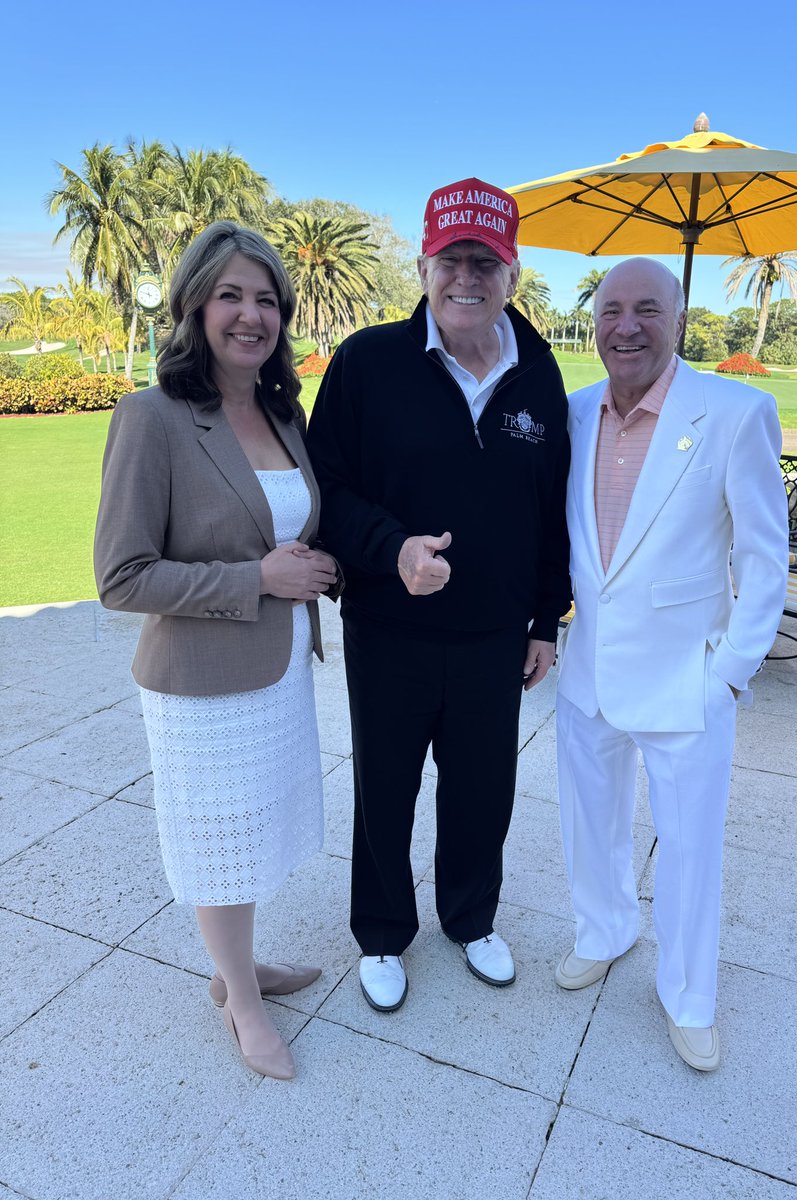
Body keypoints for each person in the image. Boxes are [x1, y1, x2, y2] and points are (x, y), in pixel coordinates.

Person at [306, 178, 570, 1012]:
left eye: (485, 261)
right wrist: (394, 551)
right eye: (451, 258)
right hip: (391, 627)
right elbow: (328, 491)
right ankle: (383, 934)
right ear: (422, 266)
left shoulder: (538, 372)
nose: (468, 277)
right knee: (385, 786)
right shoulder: (367, 361)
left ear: (512, 272)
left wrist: (543, 621)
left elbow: (552, 507)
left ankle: (471, 918)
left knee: (484, 786)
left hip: (496, 636)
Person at [94, 222, 340, 1081]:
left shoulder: (280, 411)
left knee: (257, 828)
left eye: (267, 299)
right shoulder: (151, 417)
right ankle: (241, 1000)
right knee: (220, 841)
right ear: (195, 304)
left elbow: (289, 533)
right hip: (199, 683)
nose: (251, 315)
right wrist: (258, 581)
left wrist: (318, 567)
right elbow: (122, 577)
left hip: (275, 674)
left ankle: (239, 966)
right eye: (231, 295)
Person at [555, 258, 788, 1071]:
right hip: (587, 673)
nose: (626, 325)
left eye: (647, 309)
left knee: (689, 848)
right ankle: (604, 929)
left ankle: (689, 996)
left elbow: (766, 559)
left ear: (679, 320)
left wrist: (729, 672)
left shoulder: (735, 412)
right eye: (612, 308)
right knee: (590, 824)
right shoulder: (574, 413)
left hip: (688, 680)